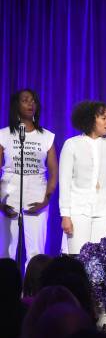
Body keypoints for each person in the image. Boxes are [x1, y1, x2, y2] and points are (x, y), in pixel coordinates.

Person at [59, 101, 106, 255]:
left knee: (102, 260)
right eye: (103, 118)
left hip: (105, 211)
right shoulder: (72, 145)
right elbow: (65, 182)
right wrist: (65, 215)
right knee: (78, 258)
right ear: (91, 119)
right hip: (78, 210)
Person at [0, 89, 57, 264]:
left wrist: (46, 200)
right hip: (8, 194)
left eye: (33, 100)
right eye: (25, 100)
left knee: (36, 253)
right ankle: (6, 290)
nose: (31, 104)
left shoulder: (46, 136)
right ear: (16, 105)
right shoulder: (4, 134)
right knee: (6, 251)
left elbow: (54, 171)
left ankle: (31, 291)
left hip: (37, 194)